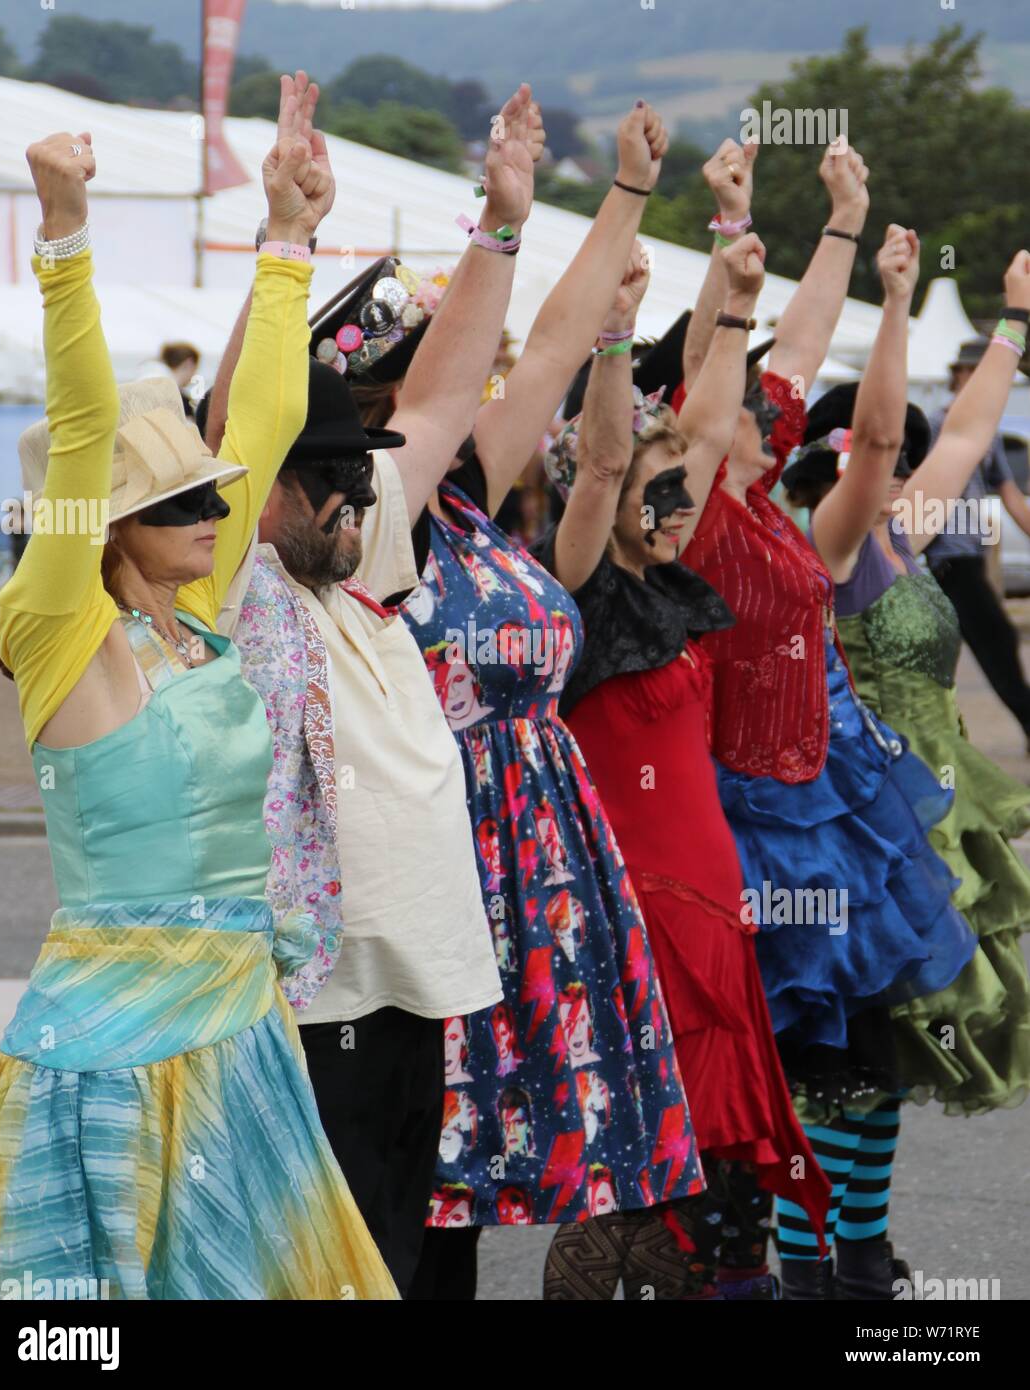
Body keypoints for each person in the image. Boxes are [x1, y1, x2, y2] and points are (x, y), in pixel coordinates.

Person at [0, 79, 397, 1300]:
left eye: (214, 494)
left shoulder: (196, 625)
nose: (218, 511)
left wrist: (287, 241)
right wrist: (64, 234)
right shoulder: (64, 632)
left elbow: (258, 413)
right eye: (179, 501)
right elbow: (85, 412)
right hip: (111, 1055)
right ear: (102, 526)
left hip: (239, 1036)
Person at [203, 84, 546, 1298]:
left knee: (412, 1268)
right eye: (333, 479)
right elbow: (233, 429)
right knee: (322, 1275)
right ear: (269, 492)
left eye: (364, 474)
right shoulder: (246, 584)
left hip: (416, 996)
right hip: (310, 1004)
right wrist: (283, 238)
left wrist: (502, 224)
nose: (361, 497)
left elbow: (448, 396)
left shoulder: (358, 570)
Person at [395, 105, 706, 1304]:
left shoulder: (468, 497)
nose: (477, 377)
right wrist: (499, 227)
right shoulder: (364, 525)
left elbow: (549, 353)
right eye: (434, 362)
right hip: (433, 867)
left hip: (533, 872)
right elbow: (479, 364)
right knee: (408, 1185)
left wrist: (626, 191)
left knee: (460, 1198)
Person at [675, 144, 977, 1301]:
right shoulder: (701, 512)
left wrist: (852, 238)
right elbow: (723, 384)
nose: (776, 404)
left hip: (835, 807)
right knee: (774, 1073)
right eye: (752, 401)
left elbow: (852, 411)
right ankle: (765, 1263)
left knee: (856, 1058)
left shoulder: (781, 516)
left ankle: (838, 1261)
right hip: (750, 815)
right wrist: (728, 254)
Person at [537, 235, 833, 1301]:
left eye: (681, 495)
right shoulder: (580, 587)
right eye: (649, 495)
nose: (672, 510)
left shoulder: (675, 581)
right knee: (619, 1163)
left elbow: (703, 430)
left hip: (711, 903)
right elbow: (611, 458)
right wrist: (616, 334)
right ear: (599, 496)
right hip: (632, 909)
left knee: (687, 1174)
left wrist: (739, 300)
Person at [786, 233, 1030, 1142]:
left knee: (892, 1055)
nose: (903, 471)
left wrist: (1013, 320)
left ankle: (854, 1257)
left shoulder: (902, 533)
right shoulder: (836, 542)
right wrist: (893, 303)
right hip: (862, 815)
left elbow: (967, 432)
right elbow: (887, 435)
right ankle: (824, 1269)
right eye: (885, 461)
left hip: (923, 807)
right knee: (860, 1054)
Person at [923, 338, 1030, 750]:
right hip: (945, 560)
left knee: (968, 651)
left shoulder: (991, 434)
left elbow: (1011, 496)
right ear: (962, 375)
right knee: (996, 641)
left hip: (970, 556)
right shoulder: (935, 425)